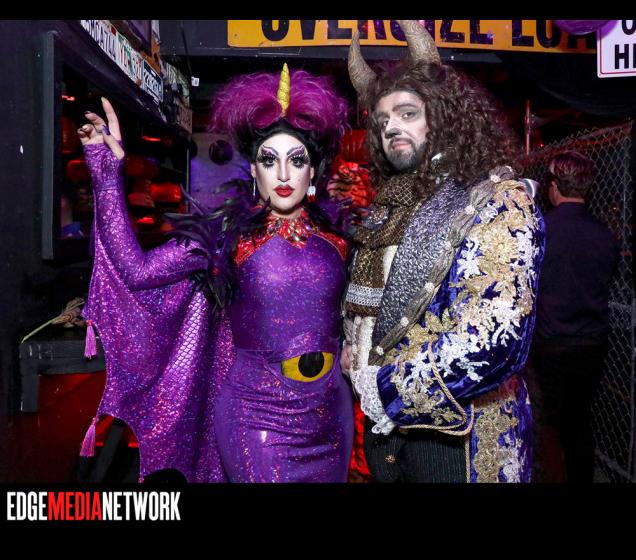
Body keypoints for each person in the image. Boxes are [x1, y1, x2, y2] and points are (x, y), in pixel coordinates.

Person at [77, 65, 354, 482]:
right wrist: (106, 173)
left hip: (330, 413)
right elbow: (136, 271)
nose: (283, 174)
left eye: (296, 160)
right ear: (254, 170)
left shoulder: (338, 240)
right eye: (269, 160)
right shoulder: (227, 236)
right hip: (257, 416)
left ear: (312, 170)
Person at [340, 20, 545, 482]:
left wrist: (385, 390)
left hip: (460, 442)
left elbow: (494, 336)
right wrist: (353, 347)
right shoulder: (389, 206)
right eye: (383, 121)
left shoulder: (497, 199)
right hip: (388, 441)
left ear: (444, 115)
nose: (392, 127)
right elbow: (372, 305)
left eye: (407, 113)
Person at [527, 150, 620, 483]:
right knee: (579, 419)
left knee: (547, 424)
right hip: (592, 344)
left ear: (554, 186)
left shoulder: (540, 230)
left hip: (549, 344)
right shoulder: (605, 235)